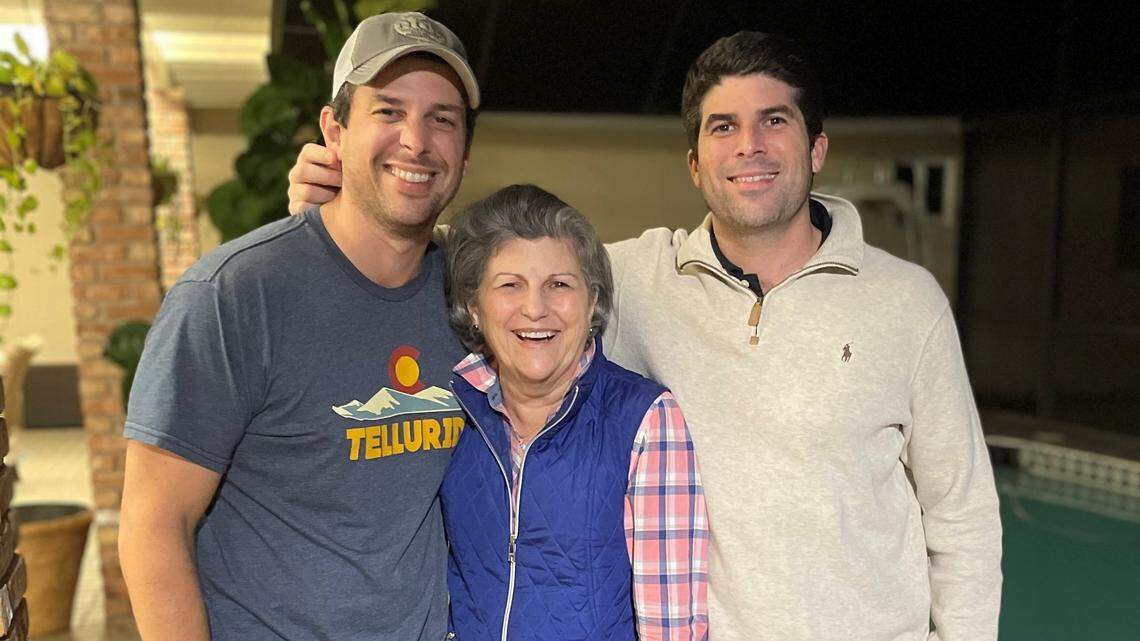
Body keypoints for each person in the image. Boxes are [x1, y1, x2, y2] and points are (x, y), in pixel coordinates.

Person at [287, 31, 1002, 641]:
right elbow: (512, 267)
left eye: (774, 121)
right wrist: (358, 203)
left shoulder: (906, 302)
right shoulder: (636, 277)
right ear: (694, 162)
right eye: (723, 126)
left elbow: (963, 518)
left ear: (817, 147)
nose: (749, 145)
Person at [119, 13, 481, 640]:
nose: (416, 141)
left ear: (466, 152)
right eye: (388, 111)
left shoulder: (475, 294)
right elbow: (154, 524)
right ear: (333, 131)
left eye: (441, 119)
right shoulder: (233, 295)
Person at [440, 184, 708, 640]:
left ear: (593, 302)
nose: (535, 309)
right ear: (474, 308)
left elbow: (673, 628)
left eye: (559, 285)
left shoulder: (646, 420)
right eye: (509, 285)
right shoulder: (451, 409)